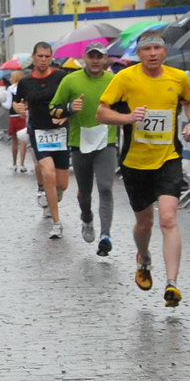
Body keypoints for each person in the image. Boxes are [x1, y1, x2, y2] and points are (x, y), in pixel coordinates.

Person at [96, 30, 190, 306]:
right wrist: (127, 118)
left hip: (168, 158)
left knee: (168, 219)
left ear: (165, 52)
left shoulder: (178, 78)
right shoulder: (125, 78)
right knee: (145, 223)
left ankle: (172, 284)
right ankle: (143, 257)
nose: (152, 53)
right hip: (135, 162)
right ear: (138, 54)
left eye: (157, 48)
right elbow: (101, 112)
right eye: (146, 49)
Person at [54, 44, 119, 254]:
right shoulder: (70, 80)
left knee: (106, 187)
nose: (95, 61)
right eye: (91, 56)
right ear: (85, 58)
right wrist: (69, 108)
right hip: (79, 142)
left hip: (106, 141)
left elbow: (125, 105)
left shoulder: (114, 81)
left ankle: (105, 235)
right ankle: (87, 217)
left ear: (105, 59)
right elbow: (53, 110)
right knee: (85, 191)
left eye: (99, 57)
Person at [14, 43, 69, 239]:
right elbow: (18, 101)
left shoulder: (61, 77)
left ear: (51, 57)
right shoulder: (26, 82)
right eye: (40, 56)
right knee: (48, 173)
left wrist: (67, 114)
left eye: (47, 56)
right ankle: (56, 222)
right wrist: (19, 108)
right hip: (39, 132)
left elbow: (70, 99)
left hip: (60, 131)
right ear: (34, 57)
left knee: (61, 184)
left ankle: (53, 194)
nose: (43, 60)